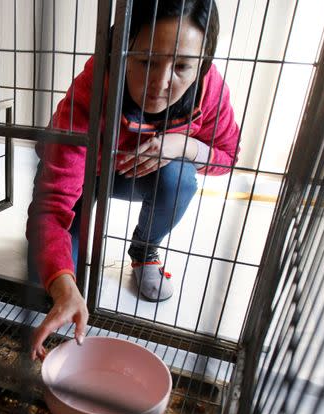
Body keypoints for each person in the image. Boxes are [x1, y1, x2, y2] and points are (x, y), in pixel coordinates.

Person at [27, 0, 240, 360]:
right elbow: (50, 207)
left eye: (182, 66)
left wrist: (183, 145)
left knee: (180, 177)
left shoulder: (212, 91)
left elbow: (228, 158)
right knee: (44, 279)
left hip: (137, 173)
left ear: (203, 65)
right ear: (121, 51)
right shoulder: (93, 87)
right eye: (146, 61)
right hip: (83, 173)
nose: (160, 83)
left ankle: (144, 251)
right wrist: (64, 287)